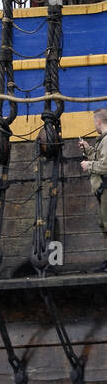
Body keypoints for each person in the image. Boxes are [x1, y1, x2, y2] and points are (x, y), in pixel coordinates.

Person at [79, 108, 107, 271]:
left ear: (98, 121)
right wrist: (88, 149)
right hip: (103, 190)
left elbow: (106, 165)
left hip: (106, 189)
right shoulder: (102, 141)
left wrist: (89, 165)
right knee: (104, 224)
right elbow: (101, 159)